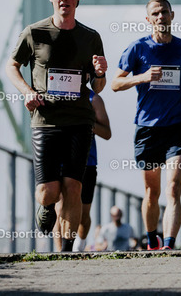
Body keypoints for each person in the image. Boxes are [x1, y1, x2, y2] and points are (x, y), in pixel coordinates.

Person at [6, 0, 107, 252]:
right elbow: (12, 66)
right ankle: (47, 205)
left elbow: (98, 87)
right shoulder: (34, 32)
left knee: (73, 187)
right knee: (48, 191)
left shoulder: (90, 37)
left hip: (79, 120)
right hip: (46, 120)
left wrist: (100, 73)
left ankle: (67, 251)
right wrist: (27, 92)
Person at [111, 0, 181, 250]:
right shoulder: (137, 48)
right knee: (152, 192)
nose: (161, 17)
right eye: (155, 14)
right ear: (149, 19)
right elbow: (115, 83)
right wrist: (142, 77)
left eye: (164, 12)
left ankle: (169, 245)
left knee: (173, 188)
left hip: (178, 125)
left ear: (172, 15)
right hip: (148, 128)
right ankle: (151, 241)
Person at [52, 92, 112, 251]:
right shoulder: (56, 92)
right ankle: (61, 253)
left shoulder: (94, 99)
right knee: (60, 208)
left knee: (83, 216)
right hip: (61, 159)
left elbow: (107, 133)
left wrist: (86, 121)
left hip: (87, 162)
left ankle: (80, 244)